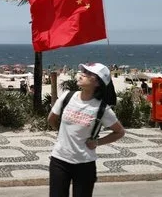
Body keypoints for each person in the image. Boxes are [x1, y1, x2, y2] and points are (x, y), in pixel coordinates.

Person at [47, 63, 125, 197]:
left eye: (89, 73)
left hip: (85, 164)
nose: (82, 74)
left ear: (98, 83)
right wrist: (62, 133)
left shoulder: (102, 109)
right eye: (83, 71)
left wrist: (97, 142)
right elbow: (51, 119)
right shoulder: (67, 97)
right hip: (59, 160)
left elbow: (119, 132)